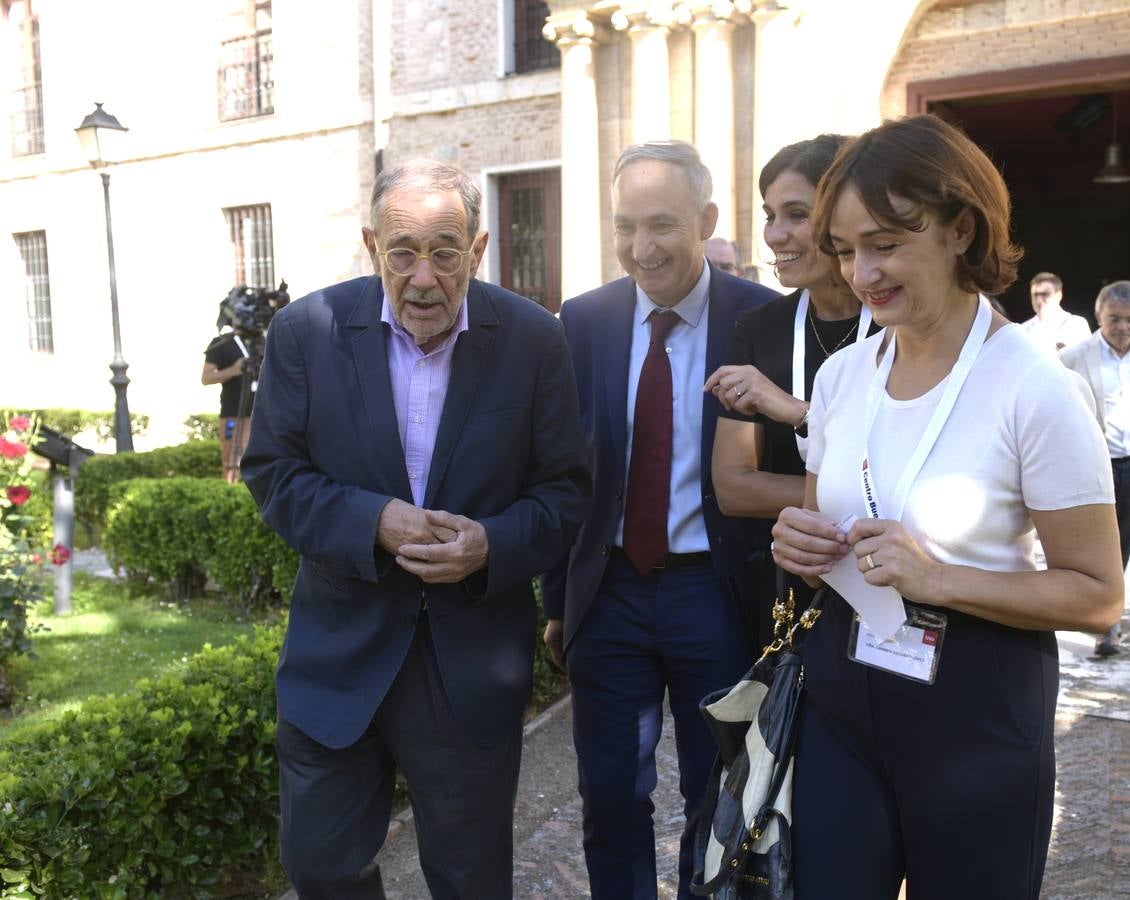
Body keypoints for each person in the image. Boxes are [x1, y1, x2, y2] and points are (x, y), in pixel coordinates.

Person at [770, 115, 1123, 898]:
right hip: (842, 693)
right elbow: (819, 515)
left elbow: (1099, 595)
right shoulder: (841, 380)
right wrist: (799, 542)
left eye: (887, 243)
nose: (863, 272)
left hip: (977, 708)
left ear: (962, 228)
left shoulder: (1036, 389)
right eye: (845, 248)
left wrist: (939, 579)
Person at [240, 158, 591, 899]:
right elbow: (272, 474)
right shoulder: (307, 332)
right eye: (402, 252)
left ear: (479, 248)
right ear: (373, 249)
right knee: (320, 868)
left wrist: (490, 543)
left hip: (468, 666)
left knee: (470, 880)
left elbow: (565, 494)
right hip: (338, 658)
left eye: (444, 251)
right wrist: (372, 520)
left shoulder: (533, 340)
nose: (422, 276)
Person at [540, 140, 777, 899]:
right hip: (607, 590)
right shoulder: (583, 321)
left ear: (707, 220)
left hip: (715, 592)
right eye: (624, 227)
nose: (641, 249)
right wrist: (557, 601)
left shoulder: (762, 321)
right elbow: (558, 471)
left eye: (663, 225)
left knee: (715, 797)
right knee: (610, 796)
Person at [704, 133, 878, 649]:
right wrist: (853, 504)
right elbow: (734, 488)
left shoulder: (901, 324)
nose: (775, 235)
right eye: (769, 214)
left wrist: (794, 412)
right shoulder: (759, 328)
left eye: (796, 214)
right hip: (789, 582)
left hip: (888, 581)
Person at [1060, 281, 1130, 656]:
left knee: (1124, 544)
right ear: (1099, 315)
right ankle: (1098, 618)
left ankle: (1107, 618)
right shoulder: (1074, 357)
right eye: (1114, 318)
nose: (1122, 326)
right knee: (1091, 546)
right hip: (1093, 466)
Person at [201, 330, 252, 483]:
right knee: (232, 463)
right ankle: (231, 493)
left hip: (261, 414)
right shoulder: (222, 342)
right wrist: (234, 370)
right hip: (233, 414)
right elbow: (206, 378)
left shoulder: (263, 340)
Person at [1021, 271, 1090, 351]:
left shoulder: (1077, 324)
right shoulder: (1023, 329)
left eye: (1045, 294)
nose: (1039, 300)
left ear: (1059, 295)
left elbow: (1087, 360)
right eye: (1035, 295)